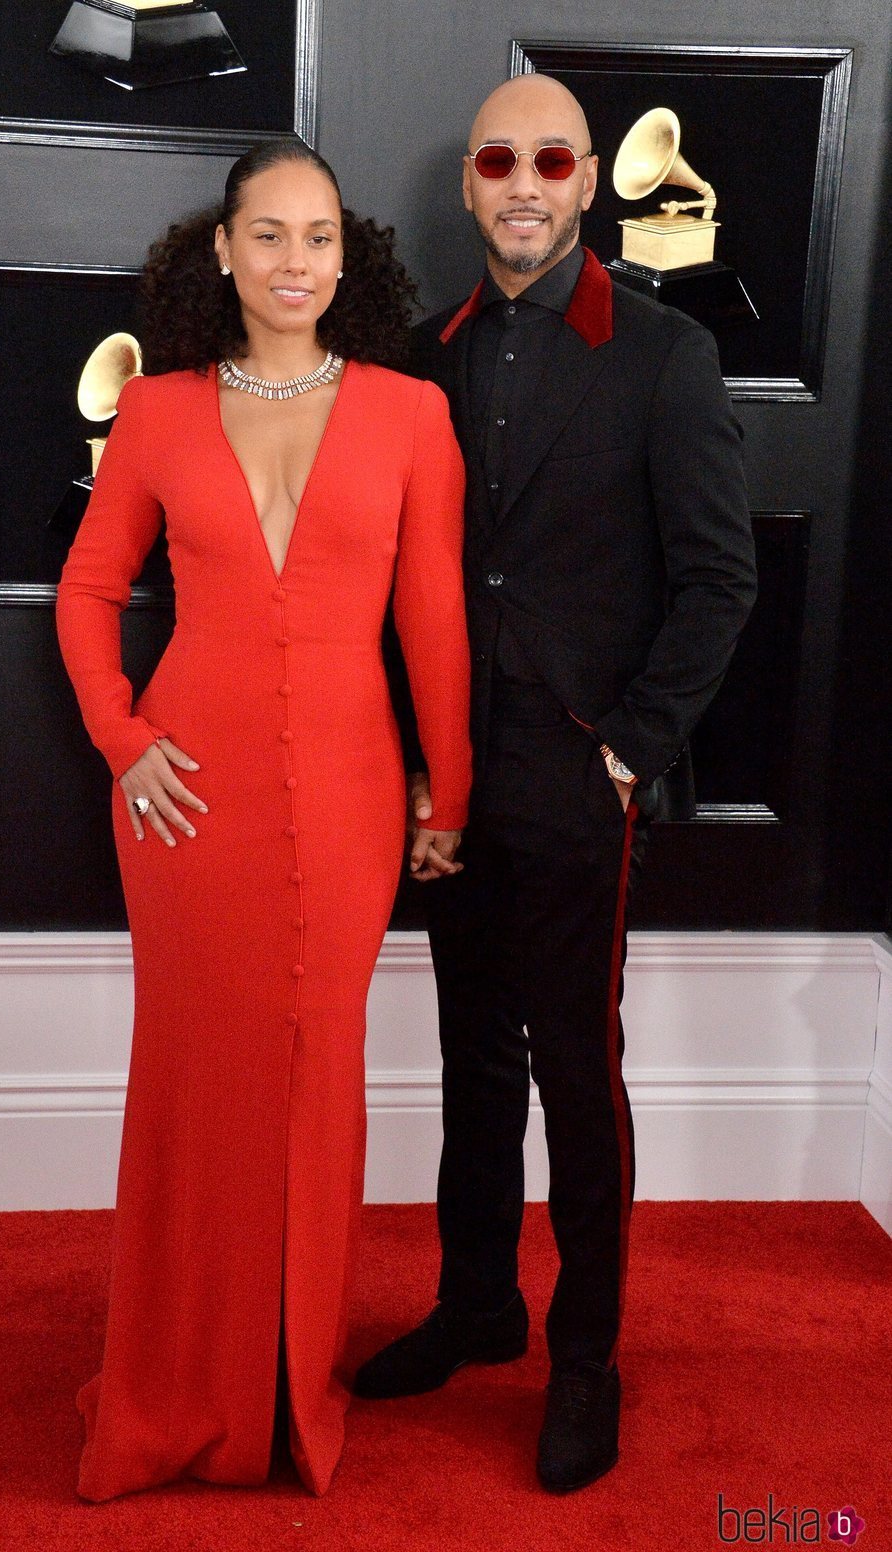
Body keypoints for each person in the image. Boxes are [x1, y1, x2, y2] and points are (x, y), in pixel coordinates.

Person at [354, 74, 758, 1493]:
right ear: (469, 184)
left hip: (581, 777)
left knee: (579, 1074)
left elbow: (720, 576)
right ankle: (479, 1306)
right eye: (497, 160)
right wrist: (412, 761)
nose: (523, 184)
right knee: (475, 1058)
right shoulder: (415, 359)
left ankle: (586, 1355)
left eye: (550, 160)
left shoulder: (663, 354)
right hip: (453, 781)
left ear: (585, 180)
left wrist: (631, 747)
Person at [55, 140, 472, 1502]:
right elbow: (87, 590)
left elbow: (434, 625)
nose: (295, 261)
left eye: (317, 238)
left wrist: (446, 791)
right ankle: (179, 1387)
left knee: (316, 1085)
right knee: (197, 1083)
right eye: (268, 236)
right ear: (222, 252)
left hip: (354, 804)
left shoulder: (412, 415)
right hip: (189, 806)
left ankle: (290, 1390)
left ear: (347, 260)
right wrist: (123, 739)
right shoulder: (160, 414)